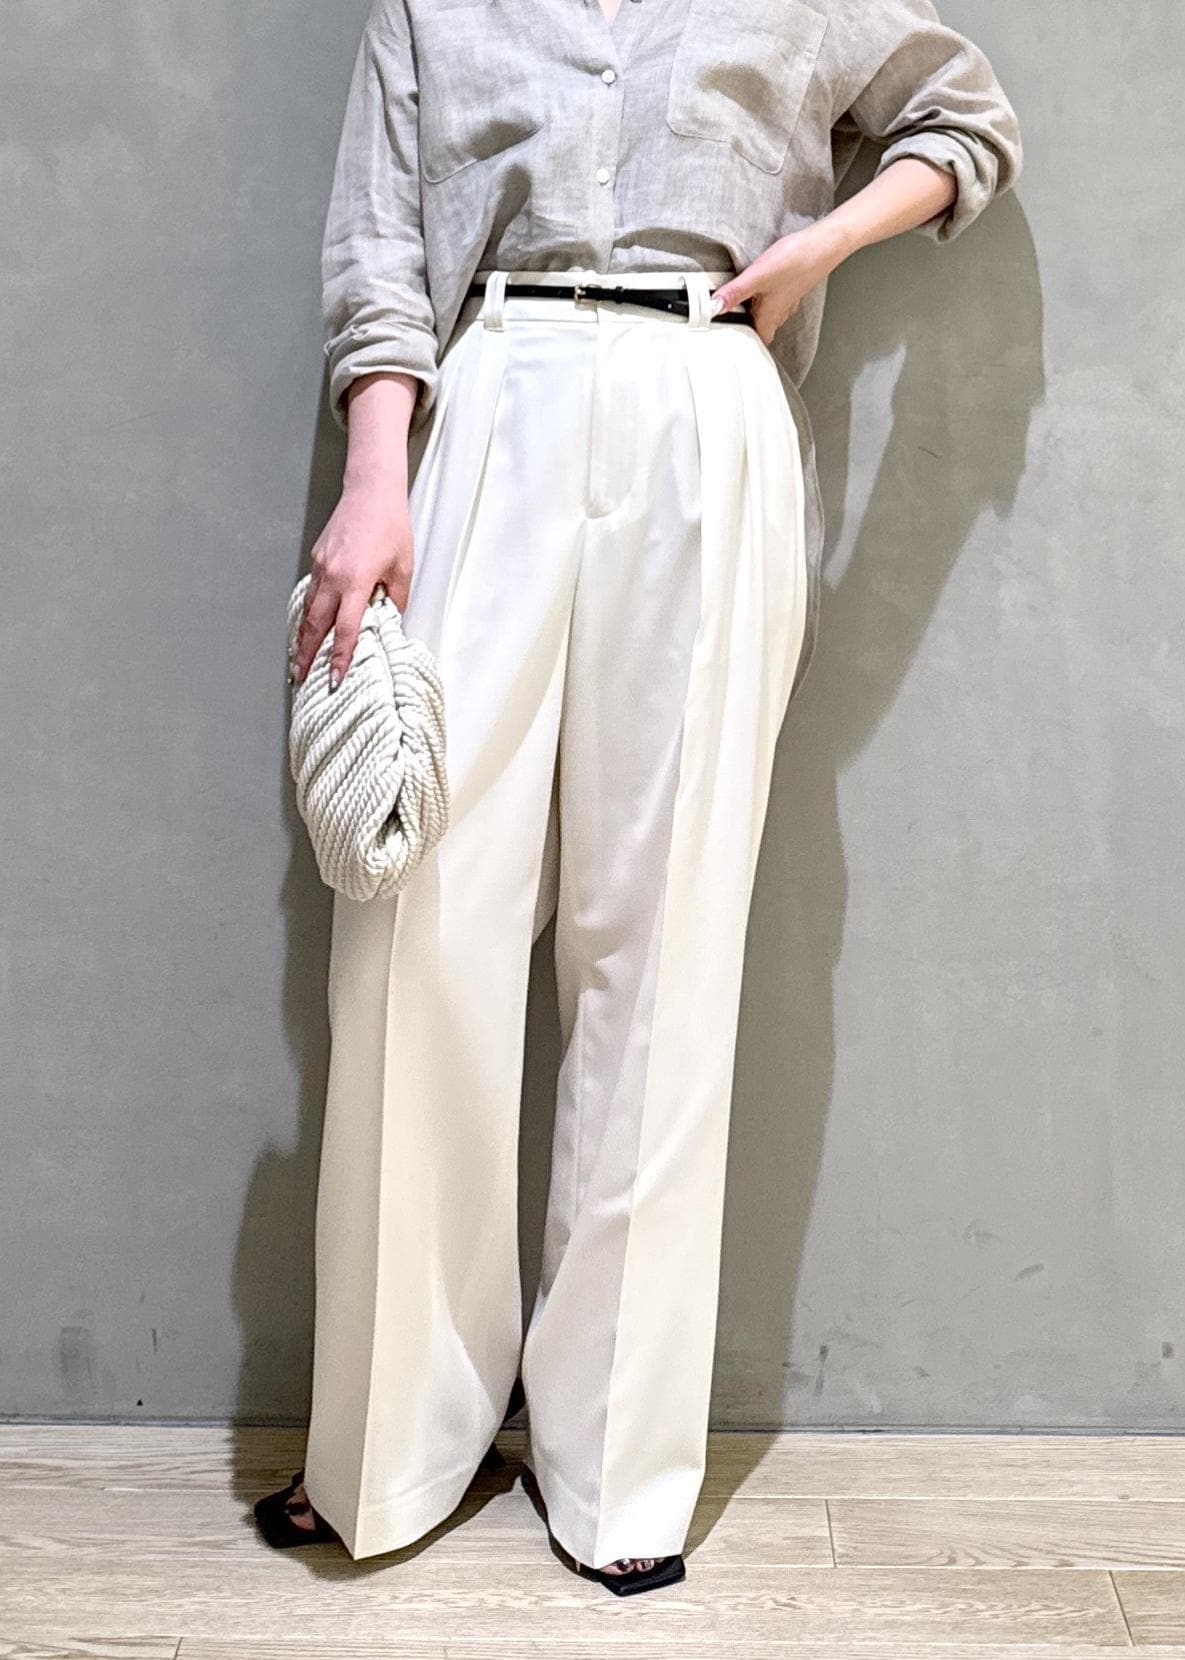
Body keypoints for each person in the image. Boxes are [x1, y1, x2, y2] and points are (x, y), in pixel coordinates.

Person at [255, 0, 1023, 1596]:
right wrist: (375, 476)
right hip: (489, 402)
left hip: (706, 400)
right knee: (417, 932)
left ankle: (616, 1472)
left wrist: (822, 248)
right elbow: (380, 247)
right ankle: (386, 1448)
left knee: (663, 944)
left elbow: (966, 122)